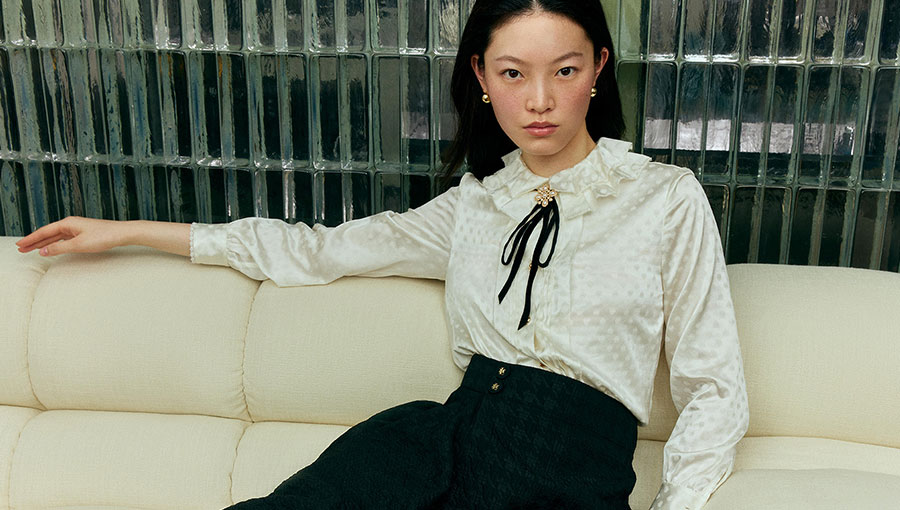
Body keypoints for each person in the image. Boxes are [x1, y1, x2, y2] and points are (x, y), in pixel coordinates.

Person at [15, 0, 749, 508]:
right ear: (481, 79)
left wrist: (676, 503)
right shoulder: (474, 205)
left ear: (598, 69)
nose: (539, 100)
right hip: (429, 447)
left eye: (564, 70)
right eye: (512, 73)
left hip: (571, 474)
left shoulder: (665, 199)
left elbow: (714, 387)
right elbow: (319, 251)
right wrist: (134, 231)